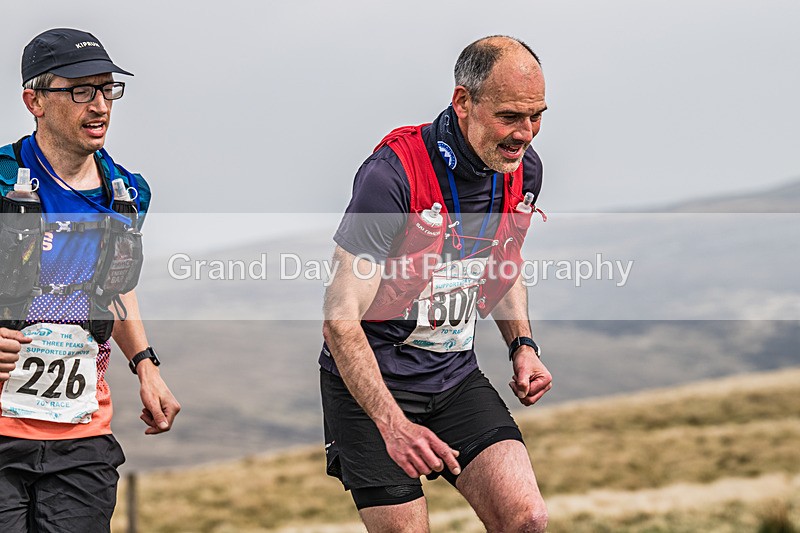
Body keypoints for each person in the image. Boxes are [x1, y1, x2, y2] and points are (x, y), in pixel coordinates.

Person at [320, 35, 552, 532]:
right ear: (463, 102)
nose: (525, 134)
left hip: (453, 378)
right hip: (372, 389)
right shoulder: (392, 176)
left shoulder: (520, 170)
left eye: (536, 116)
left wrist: (523, 346)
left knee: (527, 519)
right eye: (510, 116)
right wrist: (393, 425)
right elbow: (339, 320)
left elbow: (503, 262)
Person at [0, 28, 180, 532]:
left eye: (107, 89)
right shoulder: (3, 179)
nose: (99, 105)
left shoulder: (128, 193)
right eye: (80, 90)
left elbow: (114, 286)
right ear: (34, 101)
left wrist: (145, 364)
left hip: (81, 432)